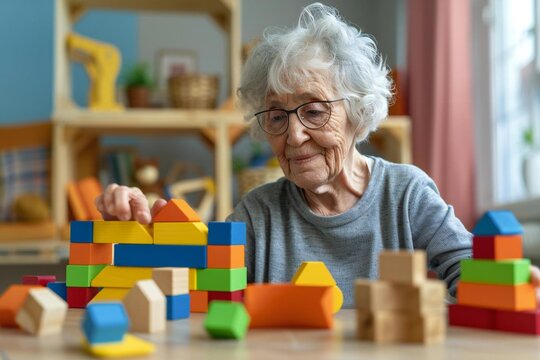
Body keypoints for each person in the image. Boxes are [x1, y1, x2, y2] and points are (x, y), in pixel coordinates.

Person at [96, 3, 540, 308]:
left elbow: (467, 271)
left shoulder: (406, 193)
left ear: (356, 110)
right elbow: (197, 280)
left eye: (313, 110)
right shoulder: (257, 214)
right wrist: (139, 235)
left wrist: (506, 289)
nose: (293, 135)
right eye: (275, 116)